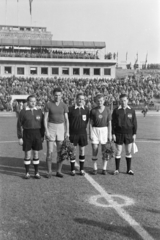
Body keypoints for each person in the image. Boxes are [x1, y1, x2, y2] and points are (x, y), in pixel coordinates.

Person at [17, 95, 44, 179]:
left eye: (34, 101)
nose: (33, 103)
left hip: (37, 134)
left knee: (36, 153)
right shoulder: (23, 112)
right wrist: (20, 137)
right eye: (31, 101)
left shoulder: (39, 111)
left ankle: (36, 173)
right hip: (27, 134)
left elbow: (42, 125)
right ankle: (27, 173)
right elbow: (18, 125)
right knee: (27, 154)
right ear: (28, 102)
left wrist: (42, 135)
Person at [44, 88, 69, 178]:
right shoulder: (48, 104)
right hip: (51, 127)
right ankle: (49, 171)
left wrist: (67, 131)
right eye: (55, 95)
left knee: (60, 151)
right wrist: (46, 130)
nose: (57, 97)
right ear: (53, 95)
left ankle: (58, 171)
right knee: (50, 151)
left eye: (59, 95)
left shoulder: (64, 105)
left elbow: (66, 119)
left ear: (61, 95)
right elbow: (45, 118)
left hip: (61, 128)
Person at [112, 93, 137, 175]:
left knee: (128, 151)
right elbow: (112, 123)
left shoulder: (132, 110)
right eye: (122, 101)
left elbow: (134, 123)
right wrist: (113, 133)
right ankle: (117, 169)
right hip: (118, 133)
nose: (123, 102)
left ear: (127, 101)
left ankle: (129, 169)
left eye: (125, 100)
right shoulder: (116, 111)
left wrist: (134, 133)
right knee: (118, 151)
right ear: (119, 101)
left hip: (129, 134)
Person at [89, 94, 112, 175]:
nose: (100, 102)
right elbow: (90, 123)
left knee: (104, 151)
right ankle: (95, 168)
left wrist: (110, 134)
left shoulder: (107, 110)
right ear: (96, 101)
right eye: (98, 101)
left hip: (104, 130)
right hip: (95, 130)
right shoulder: (93, 110)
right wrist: (90, 133)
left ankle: (104, 168)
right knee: (95, 149)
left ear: (104, 101)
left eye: (101, 100)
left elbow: (109, 123)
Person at [68, 93, 90, 176]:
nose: (81, 100)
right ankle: (72, 169)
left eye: (82, 99)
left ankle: (81, 169)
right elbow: (67, 121)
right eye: (79, 99)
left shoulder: (86, 109)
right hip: (73, 133)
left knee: (82, 150)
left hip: (83, 133)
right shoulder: (70, 109)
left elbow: (87, 121)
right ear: (76, 99)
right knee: (72, 151)